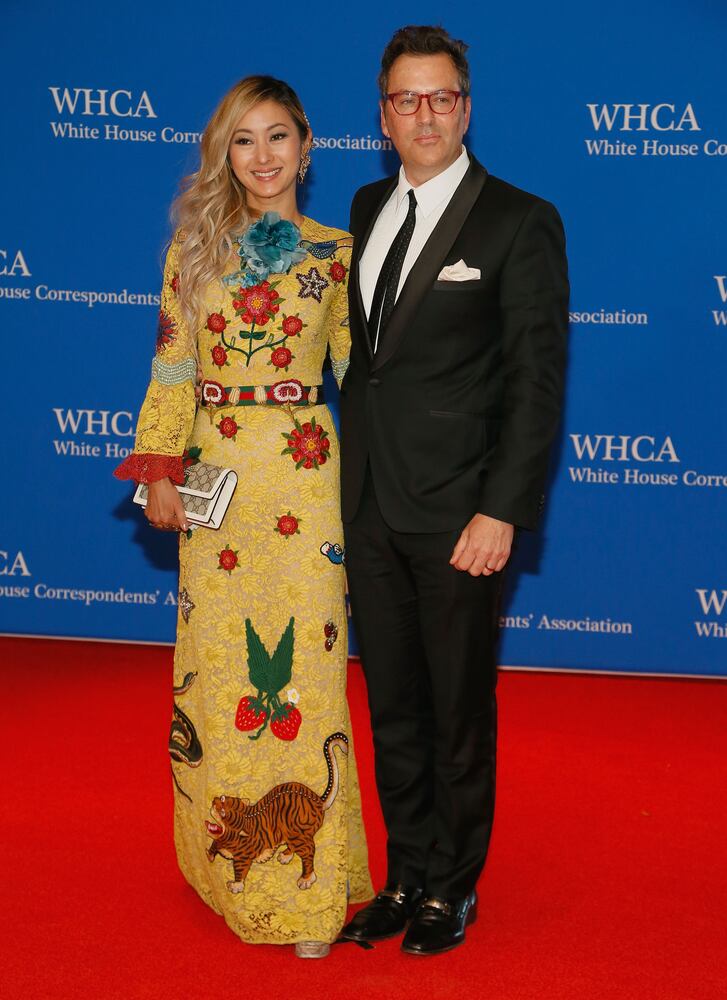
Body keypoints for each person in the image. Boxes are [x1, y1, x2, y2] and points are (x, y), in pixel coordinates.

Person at [115, 75, 372, 958]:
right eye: (242, 140)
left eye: (277, 137)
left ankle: (306, 897)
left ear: (307, 145)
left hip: (304, 477)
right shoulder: (193, 250)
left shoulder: (338, 253)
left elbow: (360, 375)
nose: (262, 157)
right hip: (216, 475)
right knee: (221, 672)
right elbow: (173, 368)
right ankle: (222, 865)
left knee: (306, 673)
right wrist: (159, 468)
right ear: (223, 154)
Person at [340, 26, 569, 955]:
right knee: (392, 704)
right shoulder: (364, 206)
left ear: (465, 109)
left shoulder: (519, 220)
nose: (424, 115)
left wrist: (501, 508)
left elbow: (535, 382)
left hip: (461, 513)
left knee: (457, 712)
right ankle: (403, 874)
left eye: (440, 98)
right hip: (368, 505)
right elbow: (368, 367)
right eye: (406, 99)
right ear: (383, 116)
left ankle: (451, 887)